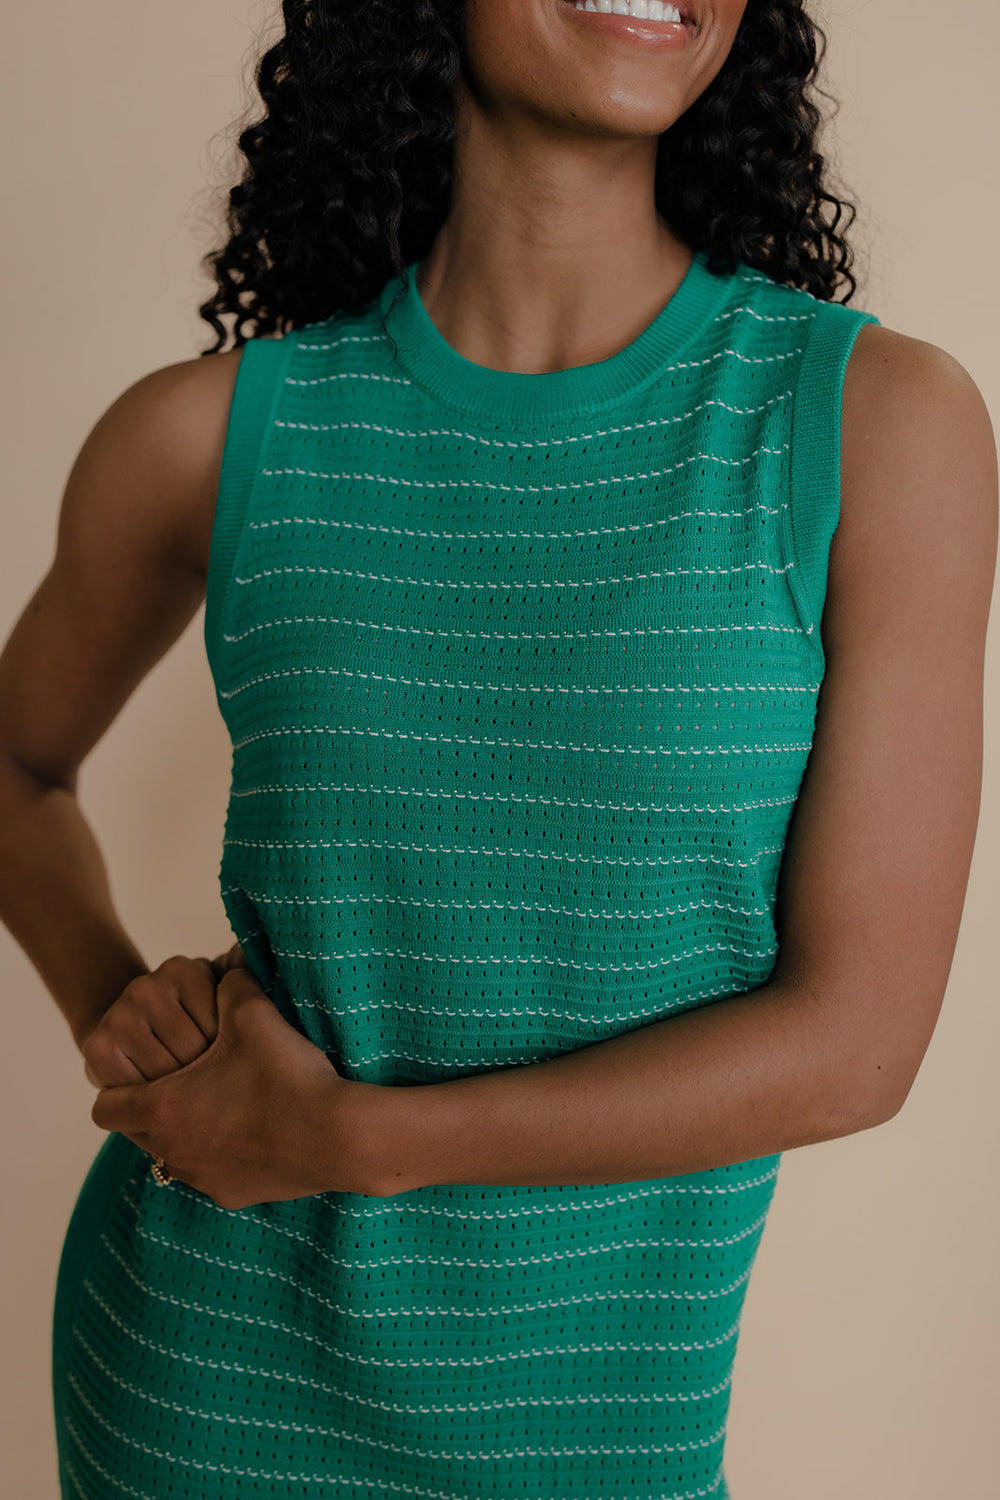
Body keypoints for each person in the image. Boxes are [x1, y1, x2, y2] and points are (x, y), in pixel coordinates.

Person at [0, 0, 995, 1495]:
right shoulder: (213, 437)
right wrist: (115, 1009)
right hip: (204, 1397)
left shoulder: (872, 426)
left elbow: (856, 1044)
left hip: (604, 1440)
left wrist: (361, 1139)